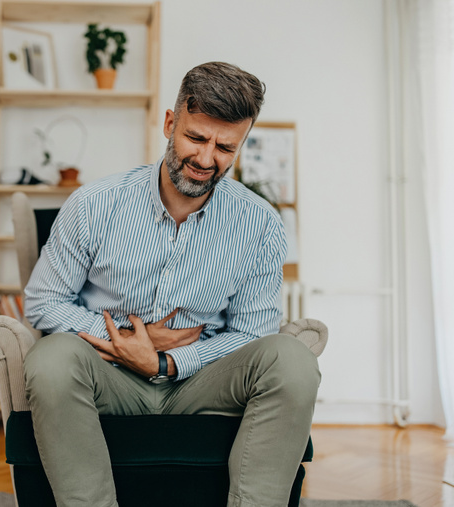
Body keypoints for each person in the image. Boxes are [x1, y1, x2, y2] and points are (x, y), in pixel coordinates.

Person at [23, 61, 321, 507]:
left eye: (225, 147)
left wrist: (168, 362)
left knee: (292, 359)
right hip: (108, 374)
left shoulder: (260, 225)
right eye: (196, 137)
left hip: (203, 381)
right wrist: (127, 339)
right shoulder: (93, 205)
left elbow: (254, 334)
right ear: (169, 123)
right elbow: (43, 301)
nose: (206, 159)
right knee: (50, 359)